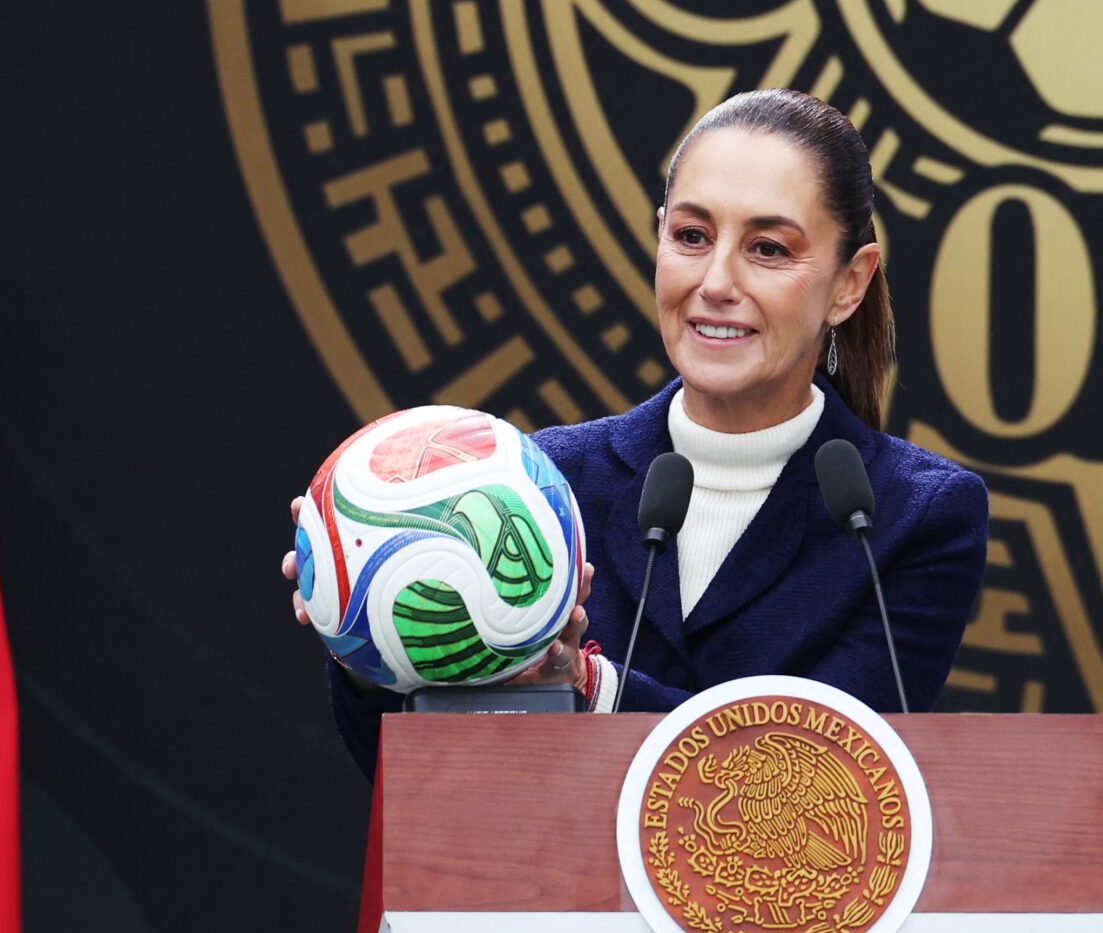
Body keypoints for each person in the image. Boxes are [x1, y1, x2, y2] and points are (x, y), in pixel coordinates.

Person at [283, 88, 989, 777]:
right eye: (691, 237)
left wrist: (592, 689)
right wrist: (369, 634)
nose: (716, 282)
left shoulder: (915, 516)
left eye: (769, 249)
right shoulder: (542, 485)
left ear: (850, 283)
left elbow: (825, 777)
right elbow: (419, 775)